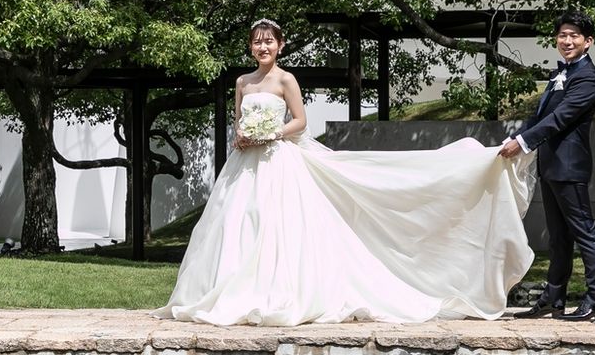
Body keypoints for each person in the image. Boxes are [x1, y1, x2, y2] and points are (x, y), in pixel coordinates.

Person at [153, 18, 535, 326]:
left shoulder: (285, 80)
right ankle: (231, 290)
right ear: (250, 47)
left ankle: (276, 292)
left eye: (269, 41)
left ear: (280, 45)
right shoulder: (242, 82)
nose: (263, 47)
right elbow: (239, 118)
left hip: (277, 159)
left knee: (276, 224)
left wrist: (271, 133)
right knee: (237, 222)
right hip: (244, 164)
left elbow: (300, 121)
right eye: (257, 42)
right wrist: (241, 133)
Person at [499, 9, 595, 322]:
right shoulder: (561, 74)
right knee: (558, 237)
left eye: (574, 36)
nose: (567, 41)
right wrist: (516, 137)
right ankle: (553, 299)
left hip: (569, 167)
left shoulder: (587, 77)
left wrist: (523, 143)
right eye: (562, 35)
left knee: (585, 232)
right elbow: (541, 116)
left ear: (588, 42)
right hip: (551, 166)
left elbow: (560, 119)